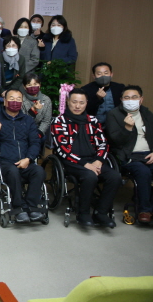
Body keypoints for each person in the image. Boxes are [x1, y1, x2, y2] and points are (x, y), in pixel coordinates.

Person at [51, 89, 121, 227]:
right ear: (68, 102)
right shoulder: (59, 121)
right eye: (74, 102)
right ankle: (83, 213)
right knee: (90, 176)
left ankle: (101, 212)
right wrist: (84, 164)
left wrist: (99, 160)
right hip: (71, 161)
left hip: (93, 160)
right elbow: (62, 149)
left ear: (86, 103)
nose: (78, 106)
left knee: (115, 177)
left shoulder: (93, 121)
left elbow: (103, 143)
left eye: (81, 103)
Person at [0, 89, 46, 223]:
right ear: (5, 102)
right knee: (13, 172)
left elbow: (35, 143)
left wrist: (28, 159)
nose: (15, 102)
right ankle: (19, 207)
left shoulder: (28, 120)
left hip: (25, 161)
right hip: (5, 162)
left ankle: (32, 206)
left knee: (39, 171)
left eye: (18, 99)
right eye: (12, 99)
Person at [106, 85, 153, 224]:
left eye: (134, 97)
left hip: (149, 153)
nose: (130, 100)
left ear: (141, 99)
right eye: (127, 98)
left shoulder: (147, 114)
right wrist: (127, 128)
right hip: (129, 156)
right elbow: (115, 141)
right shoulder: (114, 115)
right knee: (143, 172)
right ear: (121, 99)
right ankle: (144, 210)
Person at [19, 73, 52, 149]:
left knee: (41, 139)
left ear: (39, 85)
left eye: (35, 84)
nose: (33, 87)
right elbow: (22, 120)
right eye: (29, 85)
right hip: (24, 130)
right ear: (24, 87)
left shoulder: (46, 100)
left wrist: (39, 133)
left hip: (38, 130)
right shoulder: (20, 99)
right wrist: (33, 110)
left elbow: (46, 121)